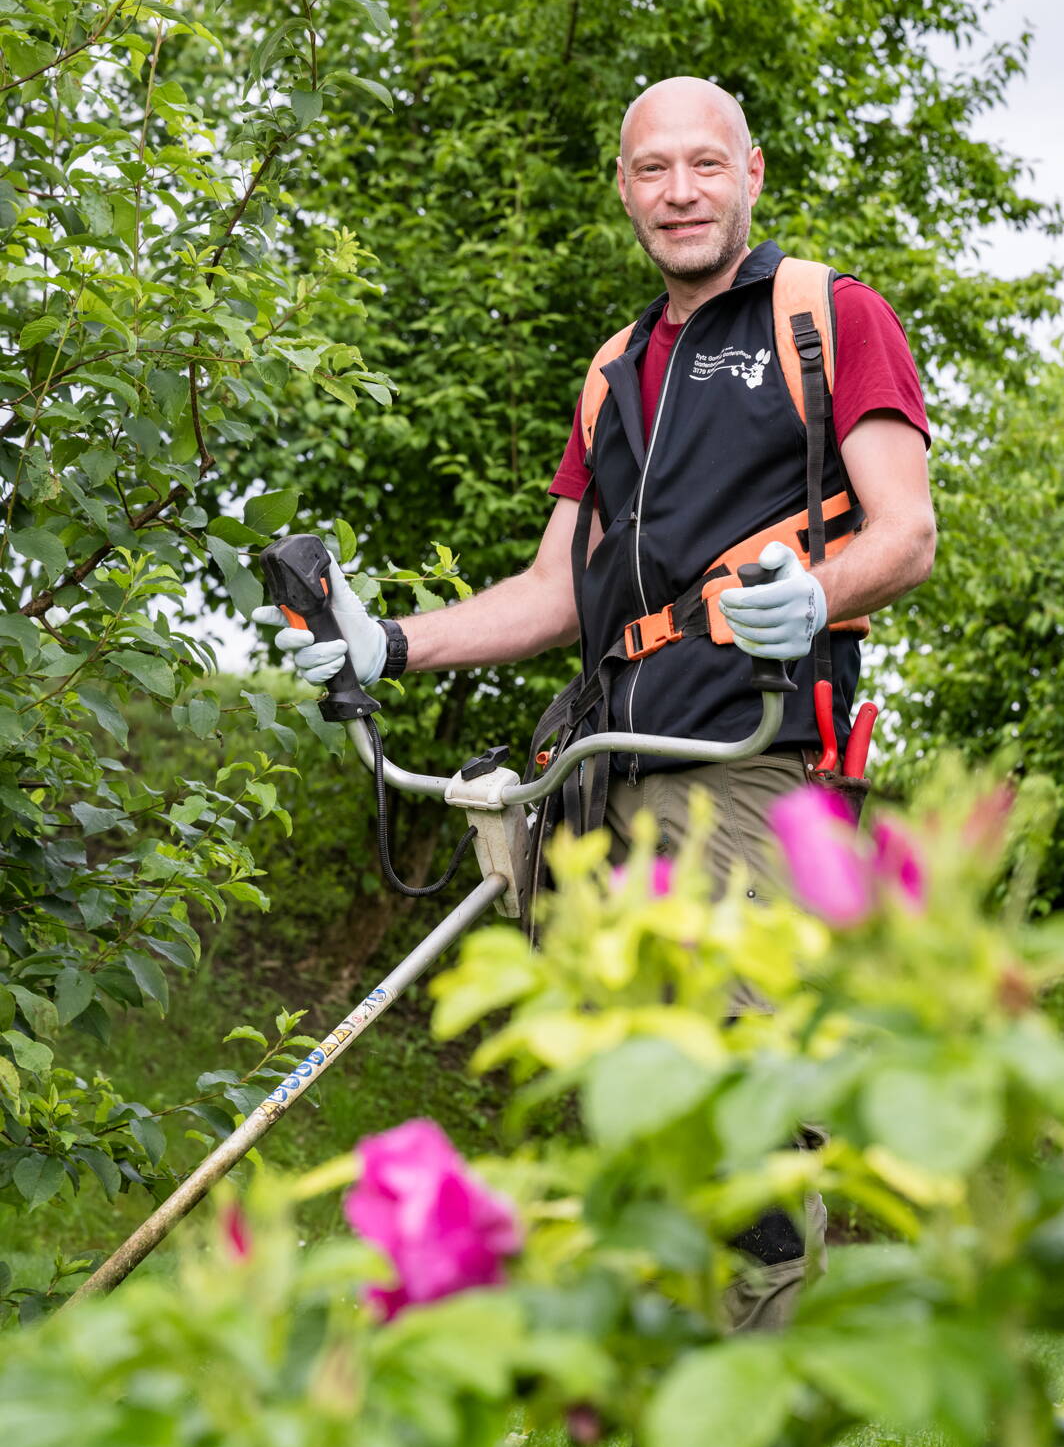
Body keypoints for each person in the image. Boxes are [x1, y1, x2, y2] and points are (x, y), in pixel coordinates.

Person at [254, 75, 935, 896]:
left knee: (734, 1026)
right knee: (584, 1027)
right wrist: (389, 645)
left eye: (706, 165)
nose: (679, 193)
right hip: (596, 779)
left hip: (748, 763)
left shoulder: (826, 317)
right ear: (623, 186)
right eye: (652, 170)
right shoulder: (616, 372)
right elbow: (555, 590)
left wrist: (818, 598)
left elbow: (908, 534)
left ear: (752, 174)